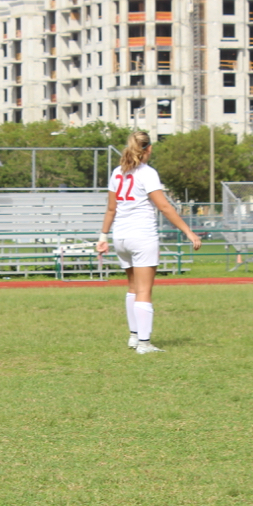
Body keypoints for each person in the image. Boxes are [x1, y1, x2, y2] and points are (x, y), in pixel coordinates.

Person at [94, 130, 201, 353]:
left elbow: (111, 209)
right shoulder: (148, 173)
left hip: (120, 236)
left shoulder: (117, 173)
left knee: (132, 287)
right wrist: (188, 232)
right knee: (144, 290)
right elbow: (164, 206)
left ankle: (134, 337)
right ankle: (144, 343)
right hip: (141, 235)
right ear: (148, 148)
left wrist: (103, 237)